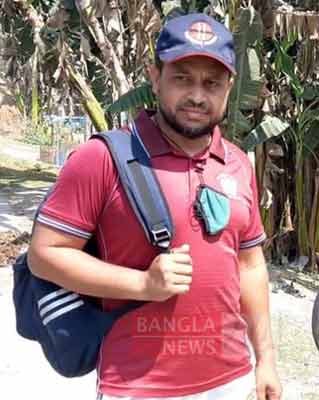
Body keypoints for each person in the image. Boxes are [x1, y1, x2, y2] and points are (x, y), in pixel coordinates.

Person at [27, 13, 281, 400]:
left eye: (212, 83)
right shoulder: (104, 157)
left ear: (230, 88)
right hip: (137, 386)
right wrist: (143, 284)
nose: (198, 95)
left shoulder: (237, 163)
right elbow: (44, 256)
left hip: (232, 380)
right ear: (155, 76)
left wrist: (265, 360)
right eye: (182, 78)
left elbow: (250, 264)